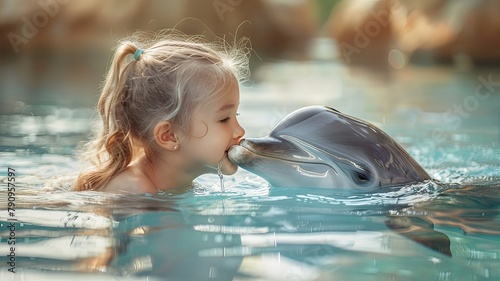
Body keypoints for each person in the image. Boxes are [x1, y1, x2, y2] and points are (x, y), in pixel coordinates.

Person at [73, 30, 250, 195]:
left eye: (236, 115)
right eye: (224, 119)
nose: (240, 131)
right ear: (169, 135)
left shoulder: (182, 186)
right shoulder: (136, 189)